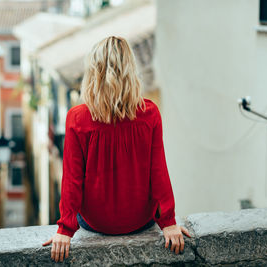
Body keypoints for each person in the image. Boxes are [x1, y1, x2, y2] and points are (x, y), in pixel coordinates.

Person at [42, 36, 191, 262]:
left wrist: (65, 229)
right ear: (130, 71)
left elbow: (72, 179)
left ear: (93, 73)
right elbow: (158, 171)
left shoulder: (77, 118)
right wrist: (168, 222)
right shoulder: (149, 114)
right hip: (140, 221)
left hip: (95, 223)